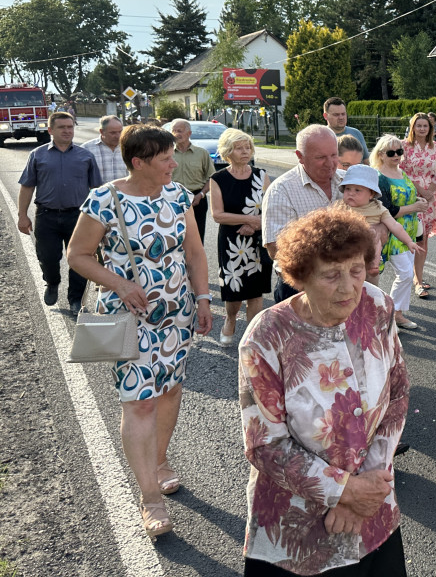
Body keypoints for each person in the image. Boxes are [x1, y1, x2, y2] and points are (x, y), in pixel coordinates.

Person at [239, 206, 409, 576]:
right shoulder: (267, 336)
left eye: (357, 270)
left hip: (372, 512)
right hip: (299, 527)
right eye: (331, 275)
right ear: (301, 277)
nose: (349, 287)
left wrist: (367, 486)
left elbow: (396, 395)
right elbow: (265, 444)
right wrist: (343, 490)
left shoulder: (378, 307)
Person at [67, 124, 214, 539]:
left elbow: (195, 252)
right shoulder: (104, 199)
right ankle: (150, 497)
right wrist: (120, 283)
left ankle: (160, 460)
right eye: (166, 158)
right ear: (138, 162)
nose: (175, 162)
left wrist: (203, 299)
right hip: (129, 315)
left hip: (176, 313)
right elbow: (77, 255)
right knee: (139, 402)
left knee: (169, 390)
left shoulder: (178, 194)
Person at [17, 112, 101, 311]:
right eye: (62, 127)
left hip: (79, 217)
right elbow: (27, 186)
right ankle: (52, 282)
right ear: (50, 130)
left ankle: (75, 300)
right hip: (47, 215)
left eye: (70, 127)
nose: (67, 131)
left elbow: (96, 190)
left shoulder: (86, 156)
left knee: (80, 258)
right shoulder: (37, 155)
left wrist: (99, 219)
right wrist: (22, 215)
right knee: (47, 257)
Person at [262, 124, 345, 303]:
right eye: (321, 157)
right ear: (300, 157)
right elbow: (275, 248)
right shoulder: (281, 190)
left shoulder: (350, 181)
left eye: (334, 155)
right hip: (301, 285)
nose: (331, 163)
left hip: (345, 281)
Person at [209, 129, 272, 347]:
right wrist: (249, 220)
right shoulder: (218, 179)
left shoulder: (261, 175)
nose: (245, 152)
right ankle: (230, 318)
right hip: (231, 241)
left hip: (257, 240)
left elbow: (271, 209)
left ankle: (252, 334)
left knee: (255, 290)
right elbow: (217, 214)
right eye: (239, 148)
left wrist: (256, 224)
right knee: (234, 290)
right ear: (228, 151)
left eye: (247, 147)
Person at [370, 135, 428, 331]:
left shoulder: (401, 173)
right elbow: (386, 208)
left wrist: (420, 204)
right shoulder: (379, 177)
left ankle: (398, 315)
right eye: (391, 152)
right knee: (404, 273)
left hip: (409, 230)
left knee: (405, 272)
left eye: (399, 151)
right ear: (381, 155)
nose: (396, 156)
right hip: (392, 230)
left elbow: (409, 198)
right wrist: (413, 207)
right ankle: (392, 313)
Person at [339, 164, 423, 287]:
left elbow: (395, 226)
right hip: (347, 251)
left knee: (374, 238)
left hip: (369, 252)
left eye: (357, 190)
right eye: (348, 189)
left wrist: (408, 241)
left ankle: (374, 264)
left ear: (371, 194)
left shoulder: (378, 208)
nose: (351, 193)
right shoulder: (341, 207)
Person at [400, 112, 436, 299]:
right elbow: (401, 170)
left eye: (425, 125)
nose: (422, 129)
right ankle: (405, 276)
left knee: (423, 239)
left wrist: (431, 190)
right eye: (418, 125)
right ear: (413, 127)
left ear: (430, 128)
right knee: (407, 238)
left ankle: (418, 279)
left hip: (430, 200)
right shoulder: (405, 146)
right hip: (411, 197)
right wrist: (419, 189)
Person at [169, 119, 214, 244]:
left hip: (197, 199)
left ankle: (196, 264)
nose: (176, 134)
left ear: (189, 133)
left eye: (180, 131)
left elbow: (212, 177)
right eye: (174, 131)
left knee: (197, 238)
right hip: (172, 199)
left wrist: (201, 194)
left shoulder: (201, 153)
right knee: (174, 237)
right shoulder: (167, 153)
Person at [83, 115, 128, 184]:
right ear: (101, 131)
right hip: (98, 193)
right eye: (113, 133)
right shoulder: (87, 149)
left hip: (124, 194)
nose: (118, 136)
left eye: (120, 131)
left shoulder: (129, 147)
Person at [323, 96, 369, 161]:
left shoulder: (356, 133)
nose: (341, 117)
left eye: (343, 114)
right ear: (325, 116)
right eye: (336, 115)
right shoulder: (320, 137)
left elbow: (366, 160)